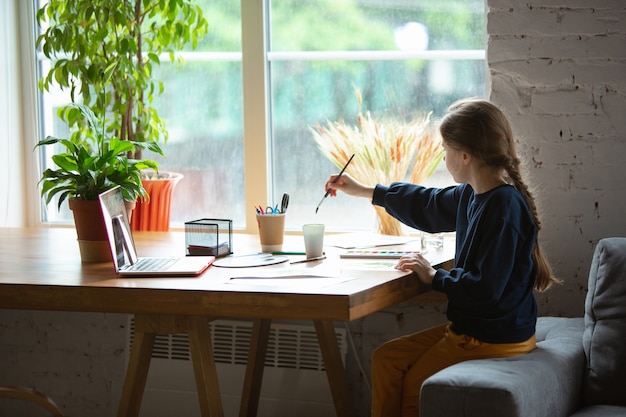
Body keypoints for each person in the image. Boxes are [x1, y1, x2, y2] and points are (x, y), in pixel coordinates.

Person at [324, 98, 558, 417]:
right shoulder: (472, 195)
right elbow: (428, 205)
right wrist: (368, 191)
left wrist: (435, 278)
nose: (443, 157)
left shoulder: (503, 208)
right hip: (474, 332)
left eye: (445, 149)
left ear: (465, 155)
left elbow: (486, 289)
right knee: (386, 360)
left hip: (493, 338)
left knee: (414, 389)